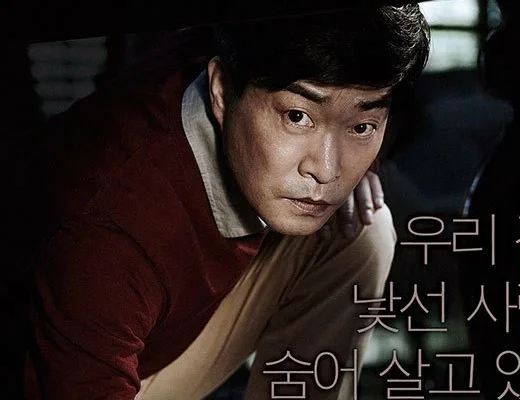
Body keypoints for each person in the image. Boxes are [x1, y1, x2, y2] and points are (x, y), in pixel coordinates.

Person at [23, 4, 429, 399]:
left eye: (361, 126)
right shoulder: (108, 229)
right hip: (60, 373)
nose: (325, 170)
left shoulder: (240, 37)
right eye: (296, 117)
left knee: (359, 228)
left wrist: (357, 152)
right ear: (220, 90)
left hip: (152, 344)